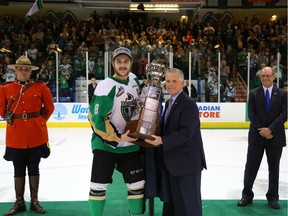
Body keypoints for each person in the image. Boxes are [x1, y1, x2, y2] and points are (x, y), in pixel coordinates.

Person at [88, 47, 145, 216]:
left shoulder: (134, 80)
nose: (122, 65)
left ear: (131, 63)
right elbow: (95, 119)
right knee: (98, 185)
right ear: (113, 63)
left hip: (131, 143)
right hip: (106, 145)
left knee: (137, 184)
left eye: (126, 61)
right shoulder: (105, 86)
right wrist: (118, 137)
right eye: (119, 61)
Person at [145, 68, 207, 216]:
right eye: (168, 81)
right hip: (173, 164)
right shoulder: (169, 103)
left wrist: (162, 140)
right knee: (175, 205)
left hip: (187, 165)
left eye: (174, 81)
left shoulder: (188, 104)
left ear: (183, 83)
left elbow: (186, 133)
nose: (170, 84)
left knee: (189, 206)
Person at [0, 55, 55, 215]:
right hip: (16, 135)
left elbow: (50, 108)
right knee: (18, 169)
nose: (23, 72)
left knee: (34, 167)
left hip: (36, 135)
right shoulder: (5, 88)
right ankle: (19, 203)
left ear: (30, 71)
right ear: (15, 70)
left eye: (26, 69)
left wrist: (38, 121)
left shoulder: (41, 87)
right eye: (20, 69)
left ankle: (34, 201)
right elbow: (2, 110)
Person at [237, 66, 287, 210]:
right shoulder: (253, 93)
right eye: (262, 76)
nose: (265, 78)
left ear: (273, 77)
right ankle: (247, 194)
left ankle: (273, 197)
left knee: (274, 169)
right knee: (251, 167)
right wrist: (263, 131)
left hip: (275, 136)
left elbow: (284, 114)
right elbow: (251, 114)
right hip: (257, 137)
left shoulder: (283, 94)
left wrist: (270, 129)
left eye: (268, 76)